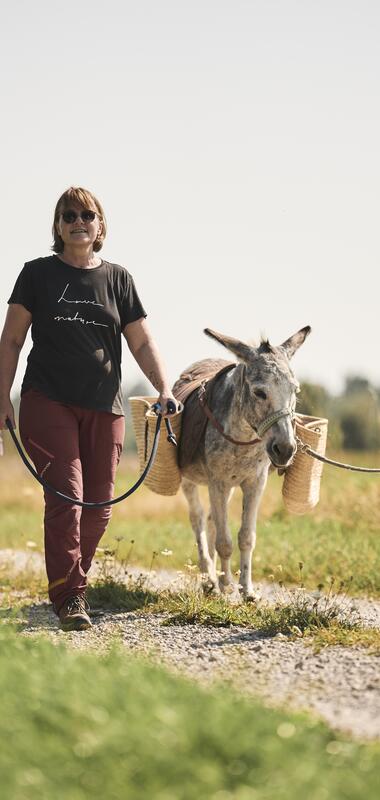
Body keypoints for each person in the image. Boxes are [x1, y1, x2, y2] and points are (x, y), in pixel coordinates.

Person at [0, 186, 180, 631]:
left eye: (87, 214)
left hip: (105, 405)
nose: (78, 221)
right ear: (58, 226)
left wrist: (164, 387)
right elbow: (11, 340)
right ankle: (70, 598)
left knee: (99, 506)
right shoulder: (36, 275)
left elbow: (141, 340)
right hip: (47, 402)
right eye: (68, 215)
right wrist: (2, 395)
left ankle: (71, 581)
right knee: (68, 497)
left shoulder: (118, 279)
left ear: (100, 225)